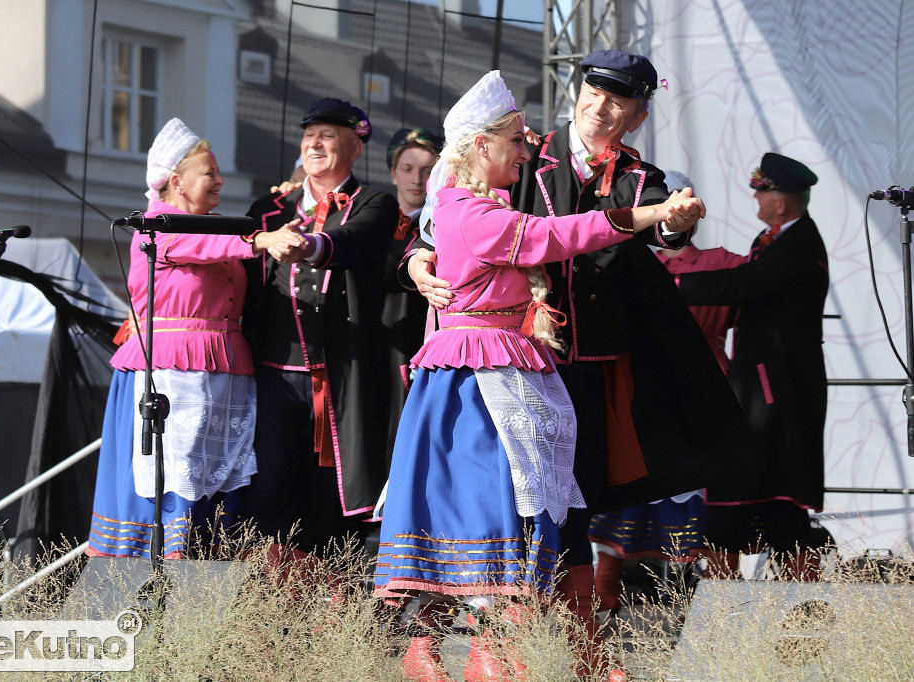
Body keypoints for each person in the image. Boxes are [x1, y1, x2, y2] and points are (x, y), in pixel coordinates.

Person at [405, 51, 754, 679]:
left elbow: (659, 223)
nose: (601, 107)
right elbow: (443, 222)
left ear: (639, 114)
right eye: (595, 91)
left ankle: (581, 655)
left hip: (593, 364)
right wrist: (417, 262)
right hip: (510, 361)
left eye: (620, 100)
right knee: (491, 507)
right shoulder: (522, 153)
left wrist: (671, 220)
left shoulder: (640, 175)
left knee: (573, 507)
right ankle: (448, 650)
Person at [86, 118, 307, 559]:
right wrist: (261, 238)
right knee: (173, 468)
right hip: (171, 370)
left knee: (218, 472)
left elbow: (225, 242)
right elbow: (203, 244)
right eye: (210, 172)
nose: (220, 180)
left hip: (223, 366)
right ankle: (153, 570)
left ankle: (198, 580)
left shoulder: (216, 226)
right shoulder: (155, 228)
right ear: (176, 182)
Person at [240, 98, 399, 570]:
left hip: (341, 378)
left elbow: (359, 242)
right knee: (269, 488)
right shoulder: (269, 208)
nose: (315, 144)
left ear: (355, 146)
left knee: (334, 496)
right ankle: (267, 610)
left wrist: (310, 244)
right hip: (274, 374)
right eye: (309, 136)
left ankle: (329, 611)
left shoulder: (374, 202)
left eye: (328, 137)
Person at [588, 171, 746, 612]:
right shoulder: (614, 258)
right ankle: (603, 591)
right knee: (628, 476)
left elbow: (754, 296)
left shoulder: (721, 262)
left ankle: (722, 599)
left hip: (697, 382)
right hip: (638, 382)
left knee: (707, 487)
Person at [676, 152, 830, 580]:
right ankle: (734, 598)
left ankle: (774, 595)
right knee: (760, 489)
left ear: (780, 202)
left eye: (763, 196)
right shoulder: (773, 240)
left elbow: (741, 285)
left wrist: (673, 284)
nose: (758, 204)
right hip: (762, 384)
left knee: (769, 485)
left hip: (779, 388)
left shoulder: (797, 246)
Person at [381, 128, 443, 450]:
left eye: (427, 170)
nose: (417, 179)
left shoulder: (442, 223)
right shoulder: (374, 218)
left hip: (423, 335)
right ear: (393, 174)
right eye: (407, 169)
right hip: (380, 335)